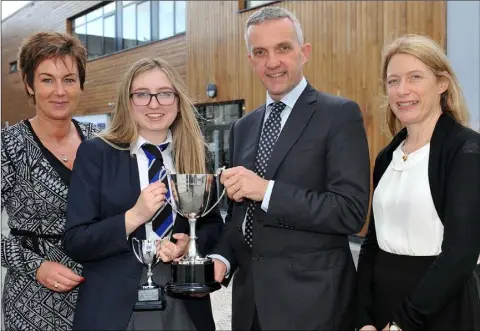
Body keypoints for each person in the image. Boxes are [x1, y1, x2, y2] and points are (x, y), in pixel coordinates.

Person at [209, 6, 371, 331]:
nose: (272, 62)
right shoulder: (243, 127)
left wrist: (266, 190)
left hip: (314, 307)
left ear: (304, 52)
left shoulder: (339, 115)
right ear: (251, 60)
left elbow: (350, 212)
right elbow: (241, 216)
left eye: (283, 48)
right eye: (260, 52)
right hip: (249, 306)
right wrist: (222, 258)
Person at [63, 57, 224, 331]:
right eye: (142, 94)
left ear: (177, 100)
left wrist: (189, 245)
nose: (154, 104)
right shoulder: (96, 154)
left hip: (183, 302)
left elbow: (212, 225)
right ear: (127, 101)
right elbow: (76, 240)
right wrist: (132, 217)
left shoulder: (196, 155)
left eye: (164, 93)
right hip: (114, 309)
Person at [355, 34, 480, 331]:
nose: (402, 90)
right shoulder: (387, 156)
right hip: (384, 309)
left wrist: (402, 324)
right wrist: (363, 318)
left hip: (440, 310)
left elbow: (460, 255)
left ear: (442, 83)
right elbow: (371, 242)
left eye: (415, 77)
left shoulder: (467, 151)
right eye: (393, 81)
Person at [1, 32, 99, 331]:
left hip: (101, 295)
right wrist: (35, 266)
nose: (59, 91)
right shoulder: (9, 147)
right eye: (47, 79)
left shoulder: (101, 142)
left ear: (80, 84)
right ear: (29, 84)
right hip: (32, 304)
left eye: (69, 79)